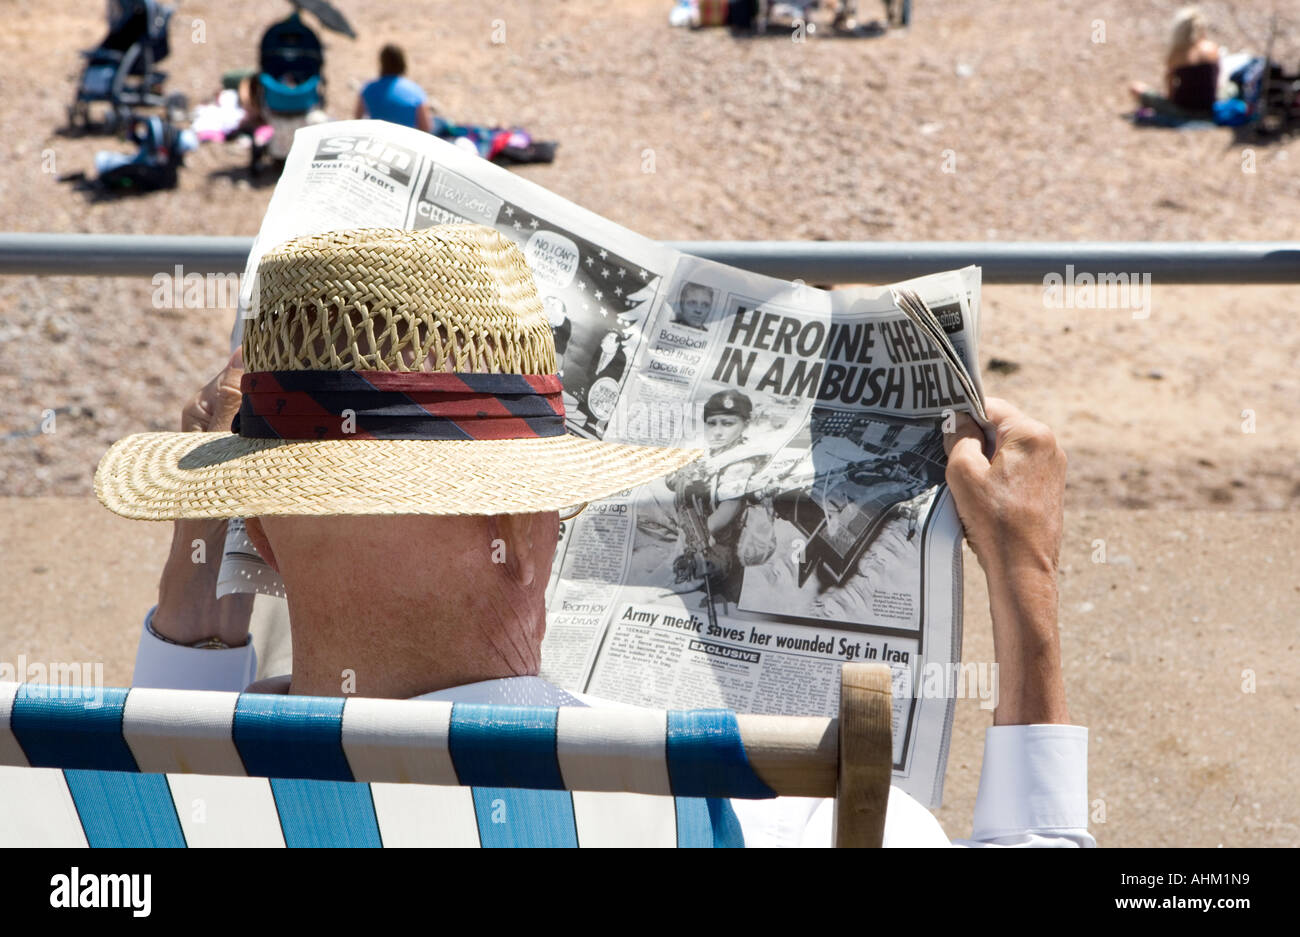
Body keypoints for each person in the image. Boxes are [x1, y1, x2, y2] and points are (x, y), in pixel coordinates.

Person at [98, 225, 1091, 847]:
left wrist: (202, 554)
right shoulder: (775, 812)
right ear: (538, 527)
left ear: (256, 539)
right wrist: (1028, 582)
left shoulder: (127, 809)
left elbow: (154, 745)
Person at [665, 390, 767, 608]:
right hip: (694, 532)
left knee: (706, 598)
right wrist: (683, 473)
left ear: (746, 425)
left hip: (723, 546)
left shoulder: (741, 462)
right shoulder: (709, 452)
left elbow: (728, 510)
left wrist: (697, 539)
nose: (718, 432)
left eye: (728, 424)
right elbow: (672, 481)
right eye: (712, 424)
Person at [1129, 6, 1220, 118]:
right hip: (1209, 106)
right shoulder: (1212, 49)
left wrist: (1169, 101)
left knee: (1136, 87)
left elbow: (1170, 87)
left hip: (1182, 108)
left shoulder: (1177, 54)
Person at [354, 44, 433, 131]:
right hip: (405, 138)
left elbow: (357, 118)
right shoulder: (415, 90)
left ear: (382, 63)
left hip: (379, 136)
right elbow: (426, 127)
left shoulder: (369, 88)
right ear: (402, 62)